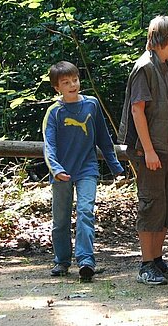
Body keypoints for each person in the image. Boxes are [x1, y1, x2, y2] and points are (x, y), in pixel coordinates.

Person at [119, 15, 168, 286]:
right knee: (150, 205)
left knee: (167, 206)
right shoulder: (144, 67)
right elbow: (138, 110)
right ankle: (146, 264)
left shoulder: (166, 66)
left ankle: (158, 260)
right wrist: (148, 151)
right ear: (165, 40)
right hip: (148, 151)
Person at [43, 61, 124, 282]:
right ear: (57, 87)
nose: (72, 85)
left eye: (75, 80)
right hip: (60, 172)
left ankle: (86, 260)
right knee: (60, 220)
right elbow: (49, 146)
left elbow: (104, 138)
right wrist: (57, 169)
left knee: (86, 212)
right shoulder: (54, 112)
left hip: (87, 168)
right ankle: (61, 260)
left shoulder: (92, 105)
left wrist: (115, 167)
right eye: (66, 82)